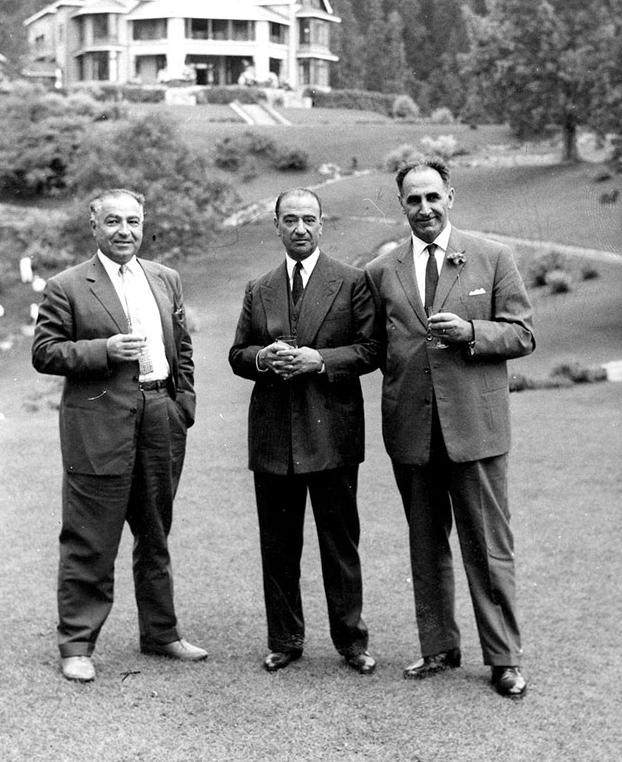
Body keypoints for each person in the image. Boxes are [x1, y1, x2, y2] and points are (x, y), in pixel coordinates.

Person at [365, 157, 535, 698]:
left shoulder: (492, 256)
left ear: (450, 197)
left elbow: (523, 334)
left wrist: (471, 332)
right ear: (402, 205)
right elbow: (372, 347)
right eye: (413, 200)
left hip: (476, 428)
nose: (424, 208)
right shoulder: (382, 270)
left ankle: (503, 658)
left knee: (488, 546)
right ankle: (438, 647)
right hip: (411, 428)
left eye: (432, 197)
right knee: (425, 545)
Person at [32, 188, 207, 682]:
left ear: (143, 224)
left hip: (160, 416)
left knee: (155, 532)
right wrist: (103, 350)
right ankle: (76, 645)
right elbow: (45, 352)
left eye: (133, 221)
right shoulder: (67, 285)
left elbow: (182, 348)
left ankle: (161, 633)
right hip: (98, 423)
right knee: (90, 537)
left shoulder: (165, 278)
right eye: (113, 221)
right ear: (94, 226)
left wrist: (182, 405)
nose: (124, 231)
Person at [229, 188, 381, 674]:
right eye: (290, 219)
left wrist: (321, 360)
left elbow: (372, 349)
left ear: (322, 224)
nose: (300, 228)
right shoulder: (259, 288)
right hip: (273, 436)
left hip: (332, 433)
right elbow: (237, 354)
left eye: (309, 219)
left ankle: (351, 642)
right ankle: (285, 639)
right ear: (276, 225)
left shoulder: (352, 281)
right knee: (278, 545)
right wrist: (261, 357)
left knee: (340, 545)